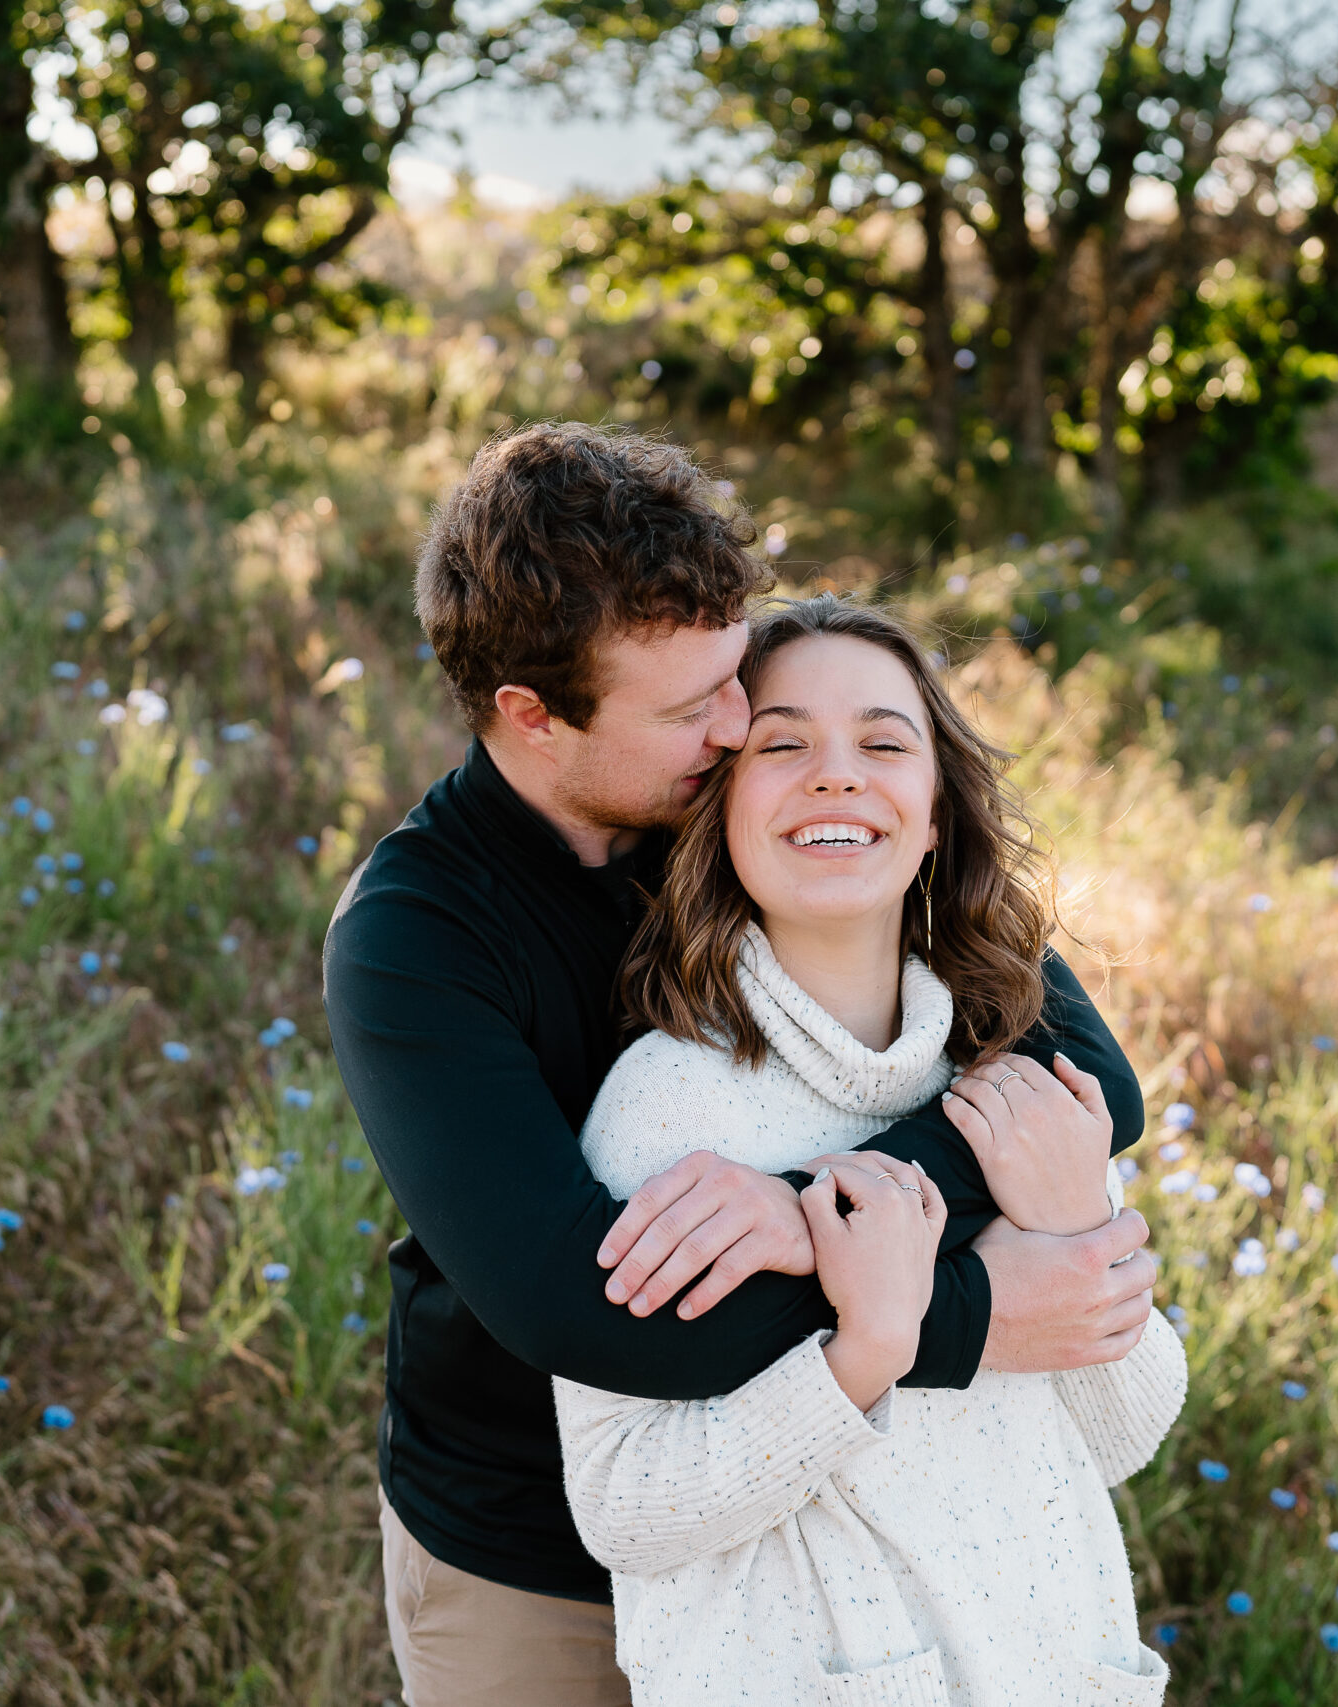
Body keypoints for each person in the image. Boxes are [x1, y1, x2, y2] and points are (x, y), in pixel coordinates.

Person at [323, 422, 1159, 1707]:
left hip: (830, 1514)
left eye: (733, 681)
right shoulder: (415, 940)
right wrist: (963, 1312)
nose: (735, 724)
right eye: (688, 707)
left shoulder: (755, 800)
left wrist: (809, 1204)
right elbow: (587, 1313)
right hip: (534, 1547)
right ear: (532, 716)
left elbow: (1086, 1083)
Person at [555, 594, 1184, 1706]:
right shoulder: (670, 1118)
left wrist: (1074, 1216)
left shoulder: (1016, 1084)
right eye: (783, 743)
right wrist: (866, 1352)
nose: (837, 775)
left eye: (884, 744)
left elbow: (1125, 1433)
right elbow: (624, 1507)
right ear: (719, 806)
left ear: (936, 814)